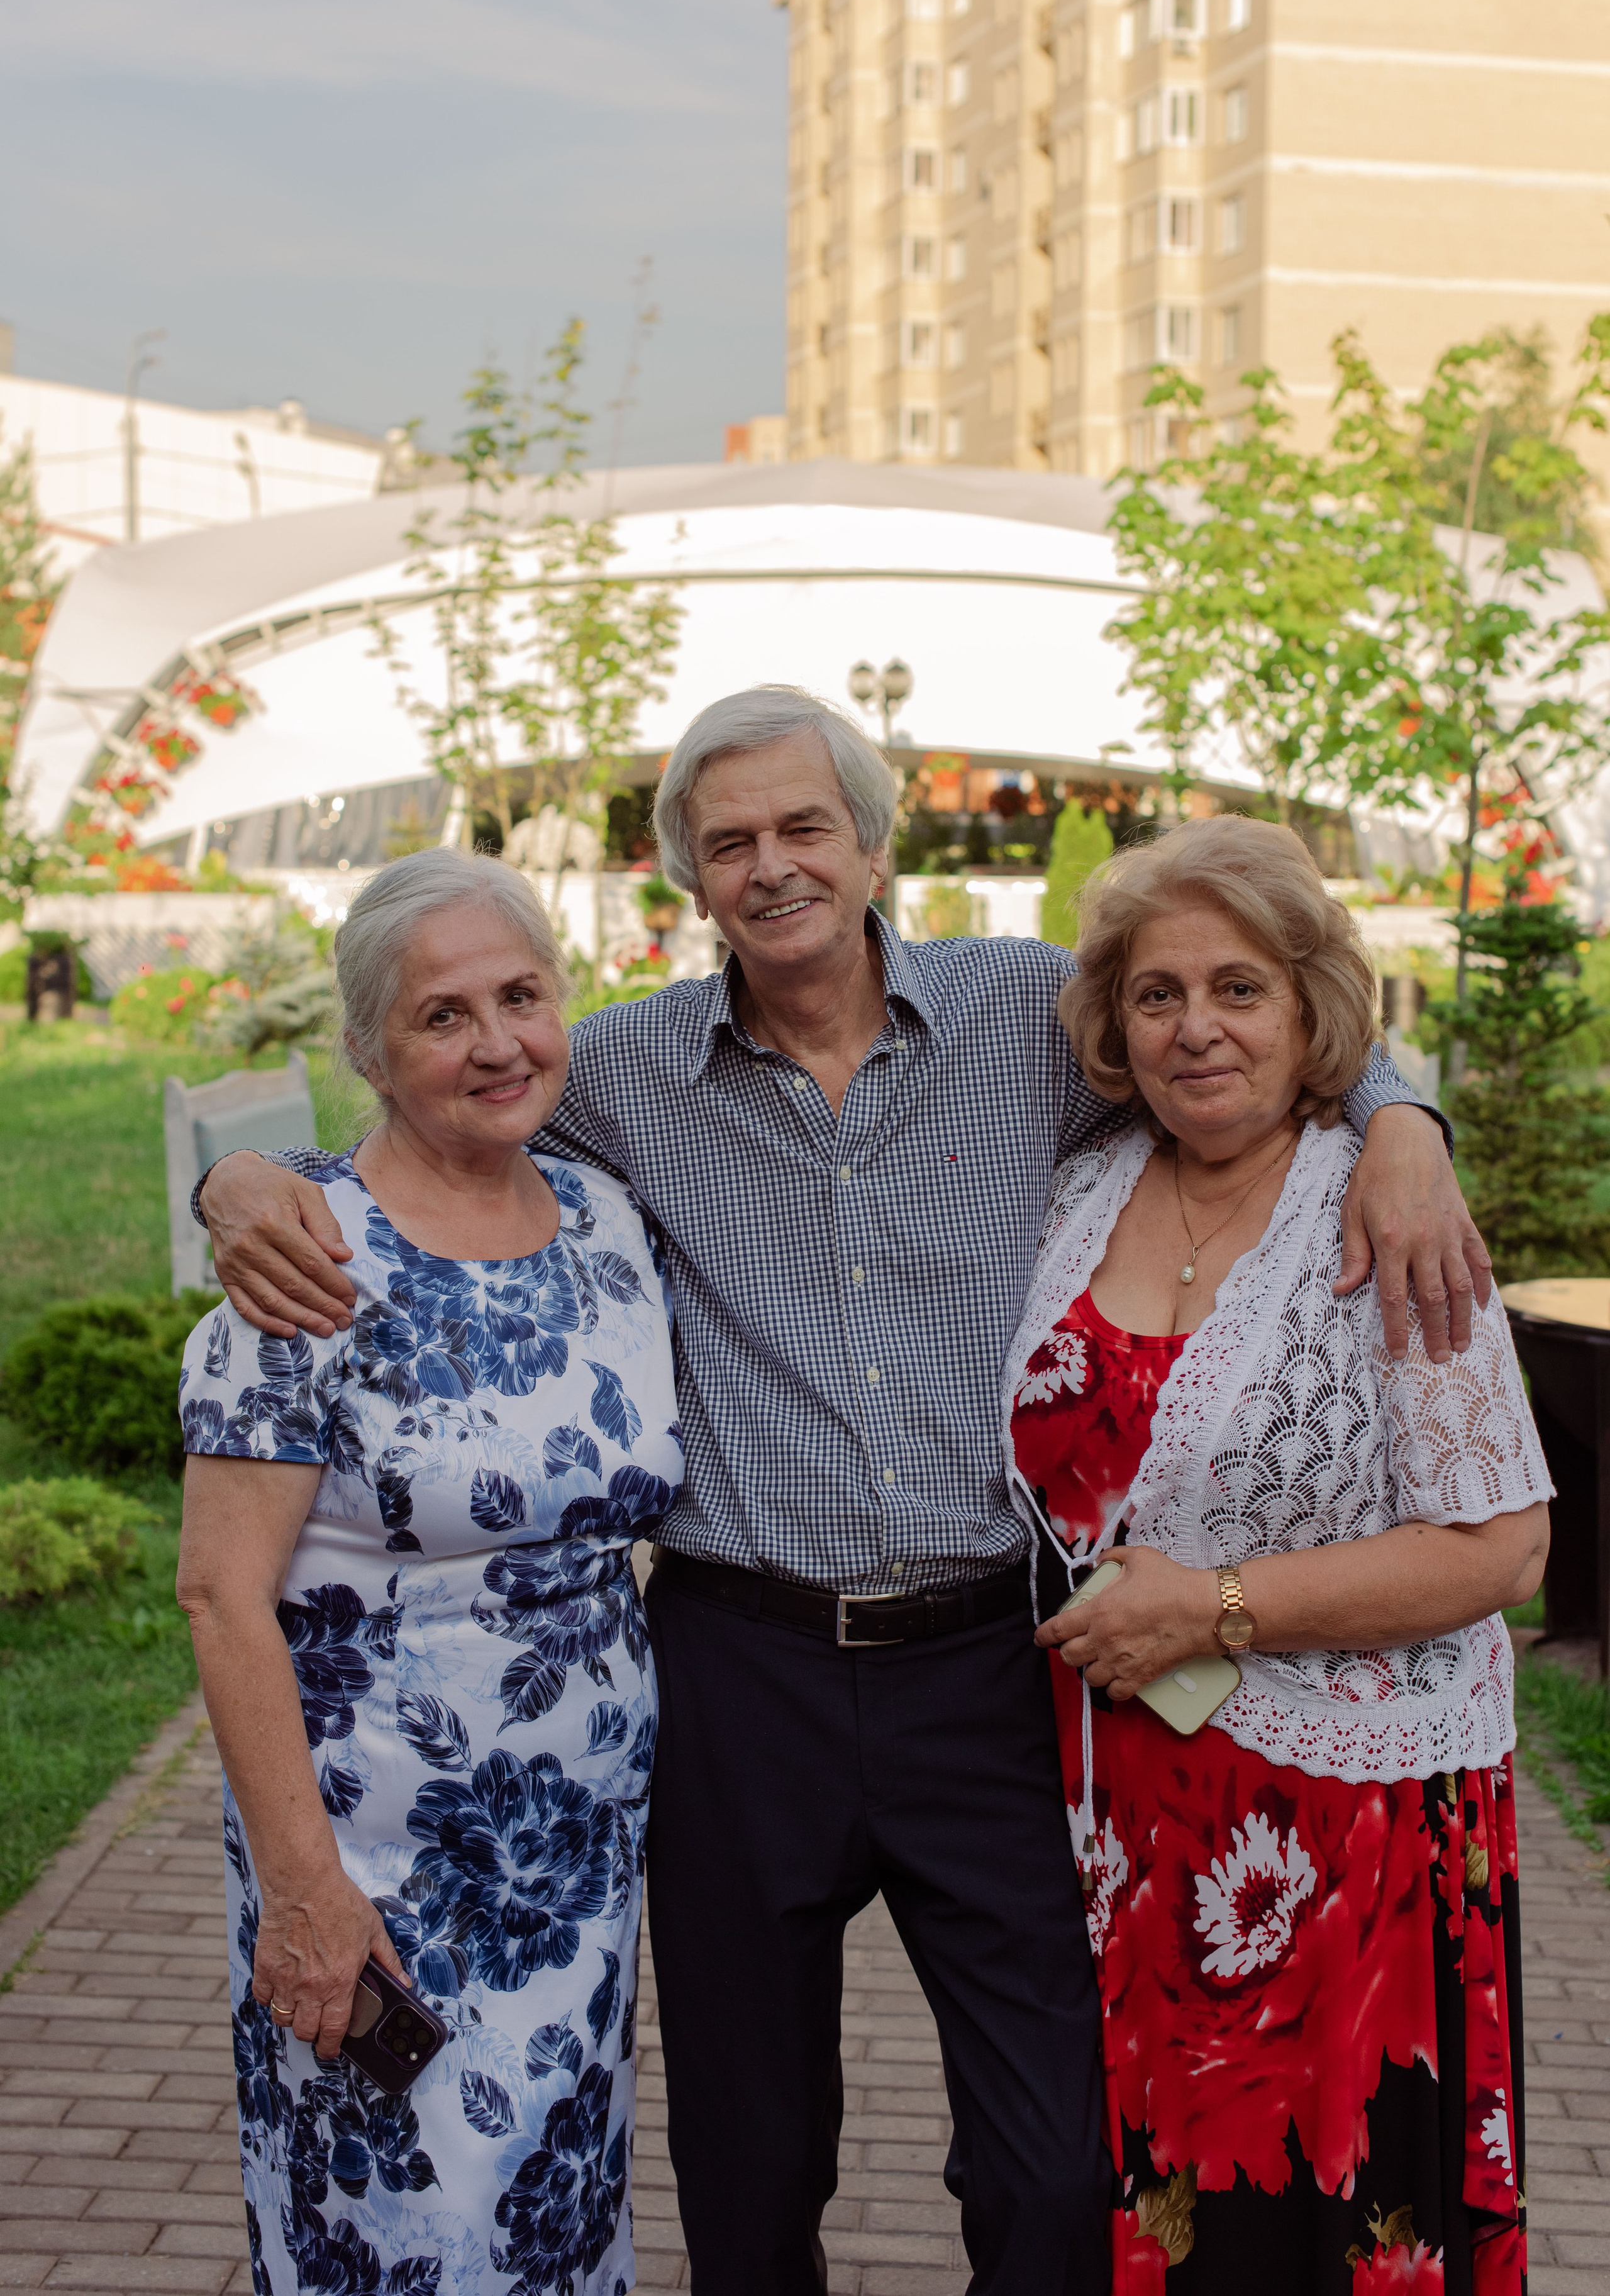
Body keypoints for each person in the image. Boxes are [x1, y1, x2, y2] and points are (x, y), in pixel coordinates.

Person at [195, 688, 1489, 2294]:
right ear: (691, 880)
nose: (772, 865)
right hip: (742, 1677)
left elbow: (1239, 1013)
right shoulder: (618, 1066)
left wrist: (1399, 1119)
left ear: (874, 846)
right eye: (729, 841)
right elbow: (429, 1104)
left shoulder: (1026, 1014)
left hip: (989, 1663)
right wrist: (237, 1181)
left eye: (805, 825)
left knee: (1048, 2160)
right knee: (749, 2164)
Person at [1009, 816, 1549, 2292]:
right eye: (1156, 993)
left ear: (1309, 1014)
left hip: (1342, 1837)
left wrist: (1216, 1607)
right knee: (1148, 2221)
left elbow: (1503, 1546)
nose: (1195, 1027)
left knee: (1317, 2224)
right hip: (1120, 1827)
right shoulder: (1077, 1191)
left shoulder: (1384, 1211)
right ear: (1113, 1025)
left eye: (1237, 988)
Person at [175, 852, 682, 2296]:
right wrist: (304, 1891)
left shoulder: (606, 1222)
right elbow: (220, 1595)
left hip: (575, 1866)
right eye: (441, 1015)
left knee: (554, 2219)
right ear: (367, 1050)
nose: (497, 1042)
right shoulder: (305, 1257)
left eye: (520, 995)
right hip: (374, 1870)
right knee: (404, 2236)